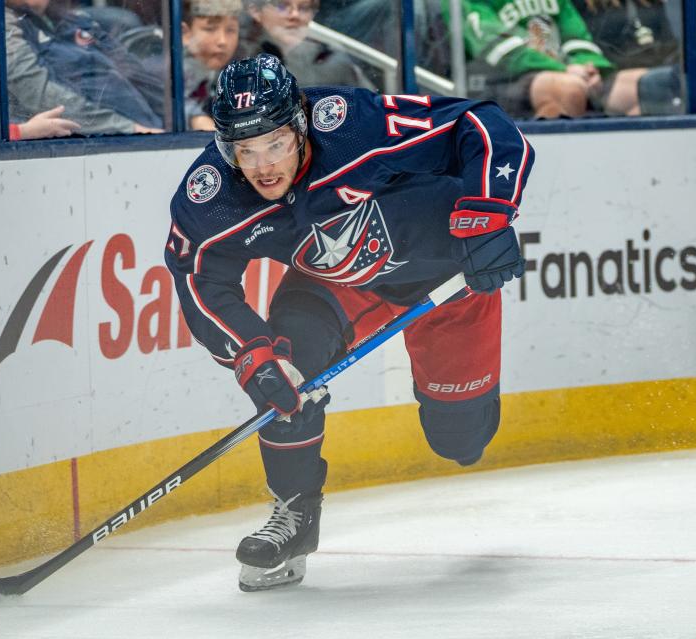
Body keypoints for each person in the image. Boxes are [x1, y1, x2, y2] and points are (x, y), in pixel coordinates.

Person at [164, 54, 534, 591]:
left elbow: (482, 124)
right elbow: (198, 277)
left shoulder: (352, 124)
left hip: (446, 278)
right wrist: (253, 355)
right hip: (338, 285)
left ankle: (456, 419)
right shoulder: (212, 195)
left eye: (275, 144)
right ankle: (294, 515)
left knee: (461, 440)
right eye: (246, 150)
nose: (263, 166)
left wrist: (489, 212)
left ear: (300, 126)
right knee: (284, 370)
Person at [0, 0, 162, 135]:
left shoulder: (68, 17)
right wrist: (130, 129)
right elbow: (38, 93)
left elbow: (136, 73)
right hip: (85, 146)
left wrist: (180, 120)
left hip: (146, 132)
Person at [448, 0, 644, 117]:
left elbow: (576, 36)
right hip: (498, 83)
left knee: (641, 86)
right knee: (567, 89)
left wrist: (587, 67)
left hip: (567, 73)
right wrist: (564, 69)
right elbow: (497, 48)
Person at [241, 0, 375, 90]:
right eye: (282, 5)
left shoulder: (332, 58)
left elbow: (369, 106)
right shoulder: (239, 59)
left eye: (304, 8)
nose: (295, 15)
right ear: (256, 11)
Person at [181, 0, 242, 130]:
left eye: (231, 30)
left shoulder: (232, 71)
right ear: (185, 33)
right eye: (210, 29)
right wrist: (197, 119)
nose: (222, 41)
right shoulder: (172, 73)